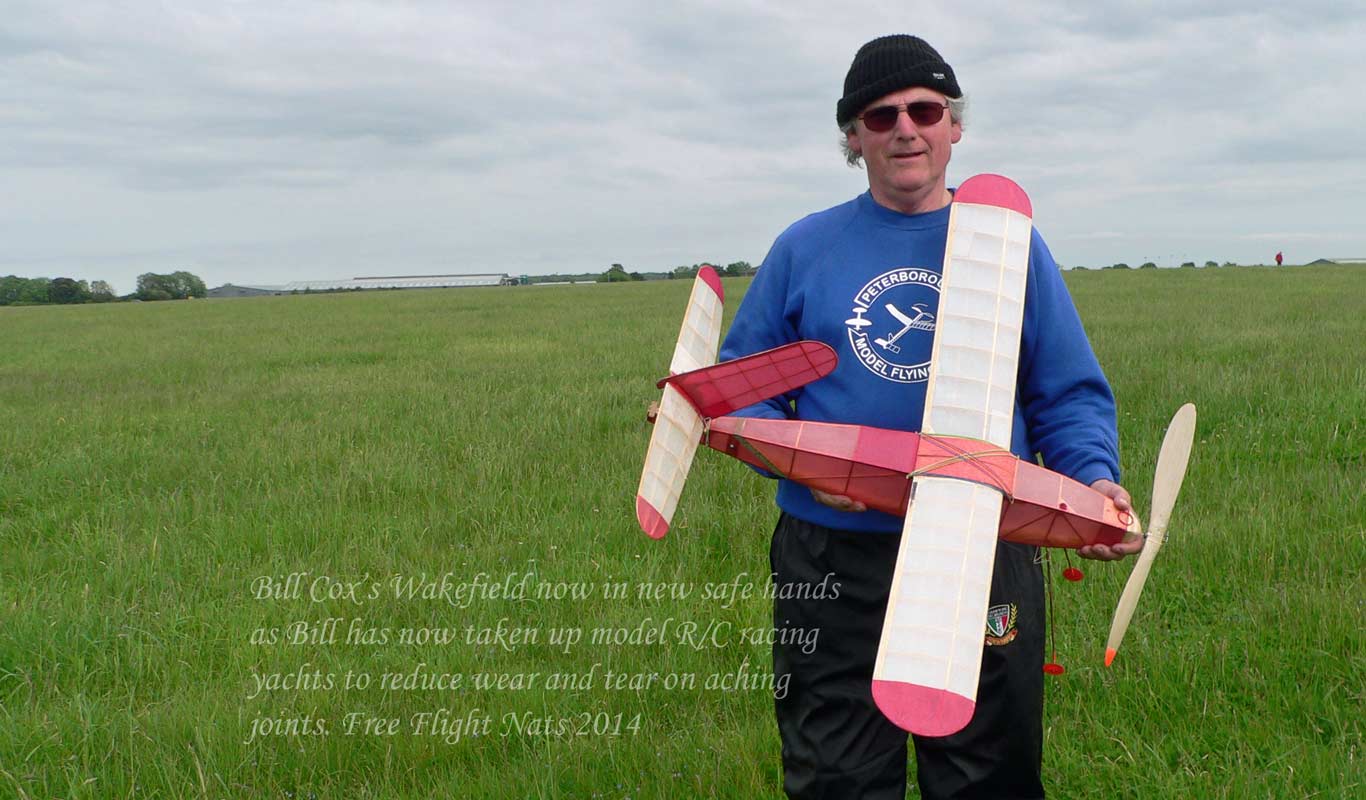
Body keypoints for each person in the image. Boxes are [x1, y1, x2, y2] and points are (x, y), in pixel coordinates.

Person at [718, 34, 1140, 799]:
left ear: (954, 125)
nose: (905, 129)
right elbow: (745, 391)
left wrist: (1092, 479)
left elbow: (1065, 390)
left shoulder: (1011, 246)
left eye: (925, 109)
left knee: (989, 770)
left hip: (984, 538)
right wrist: (804, 468)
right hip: (833, 554)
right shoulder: (804, 248)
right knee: (836, 773)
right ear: (853, 136)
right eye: (881, 116)